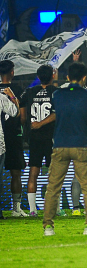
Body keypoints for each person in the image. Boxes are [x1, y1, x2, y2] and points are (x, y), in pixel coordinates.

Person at [41, 62, 87, 236]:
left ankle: (48, 227)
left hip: (59, 145)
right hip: (81, 145)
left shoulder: (57, 94)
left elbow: (55, 114)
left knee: (53, 187)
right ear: (84, 78)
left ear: (67, 77)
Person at [20, 64, 58, 216]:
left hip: (34, 138)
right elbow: (57, 114)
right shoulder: (56, 92)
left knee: (33, 173)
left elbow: (22, 117)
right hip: (51, 138)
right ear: (52, 76)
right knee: (54, 174)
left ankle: (32, 210)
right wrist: (42, 123)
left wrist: (30, 127)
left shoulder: (29, 92)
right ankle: (54, 209)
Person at [0, 60, 25, 218]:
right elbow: (21, 117)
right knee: (16, 172)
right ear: (12, 72)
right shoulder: (16, 90)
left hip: (2, 137)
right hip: (13, 135)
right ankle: (16, 209)